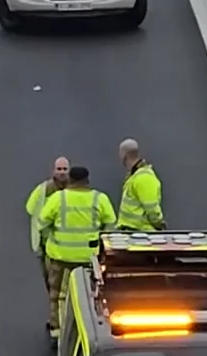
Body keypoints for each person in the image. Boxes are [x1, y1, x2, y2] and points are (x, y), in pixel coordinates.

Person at [37, 165, 116, 338]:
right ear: (87, 181)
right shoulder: (99, 199)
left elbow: (41, 223)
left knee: (57, 295)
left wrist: (51, 238)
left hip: (60, 256)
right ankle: (91, 329)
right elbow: (111, 225)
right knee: (91, 295)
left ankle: (57, 332)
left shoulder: (59, 198)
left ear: (70, 180)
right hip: (90, 258)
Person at [24, 157, 73, 331]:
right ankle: (58, 320)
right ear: (53, 170)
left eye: (65, 169)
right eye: (59, 169)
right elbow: (31, 210)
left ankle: (57, 325)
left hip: (65, 250)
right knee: (53, 287)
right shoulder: (43, 190)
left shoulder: (74, 192)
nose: (61, 172)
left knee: (58, 290)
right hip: (47, 248)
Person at [118, 139, 165, 232]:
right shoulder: (136, 176)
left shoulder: (144, 177)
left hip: (142, 234)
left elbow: (151, 208)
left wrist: (159, 224)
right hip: (134, 232)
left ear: (124, 155)